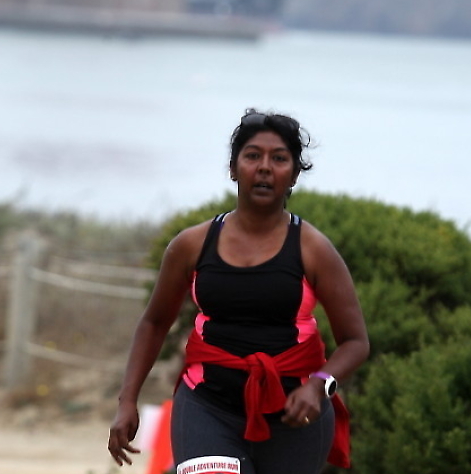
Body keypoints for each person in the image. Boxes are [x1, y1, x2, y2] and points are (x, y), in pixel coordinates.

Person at [108, 108, 369, 474]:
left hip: (295, 419)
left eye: (279, 159)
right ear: (233, 168)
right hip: (207, 407)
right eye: (252, 156)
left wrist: (318, 386)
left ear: (294, 174)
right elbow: (154, 323)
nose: (264, 168)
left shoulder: (313, 249)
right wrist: (127, 401)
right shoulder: (192, 245)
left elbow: (356, 342)